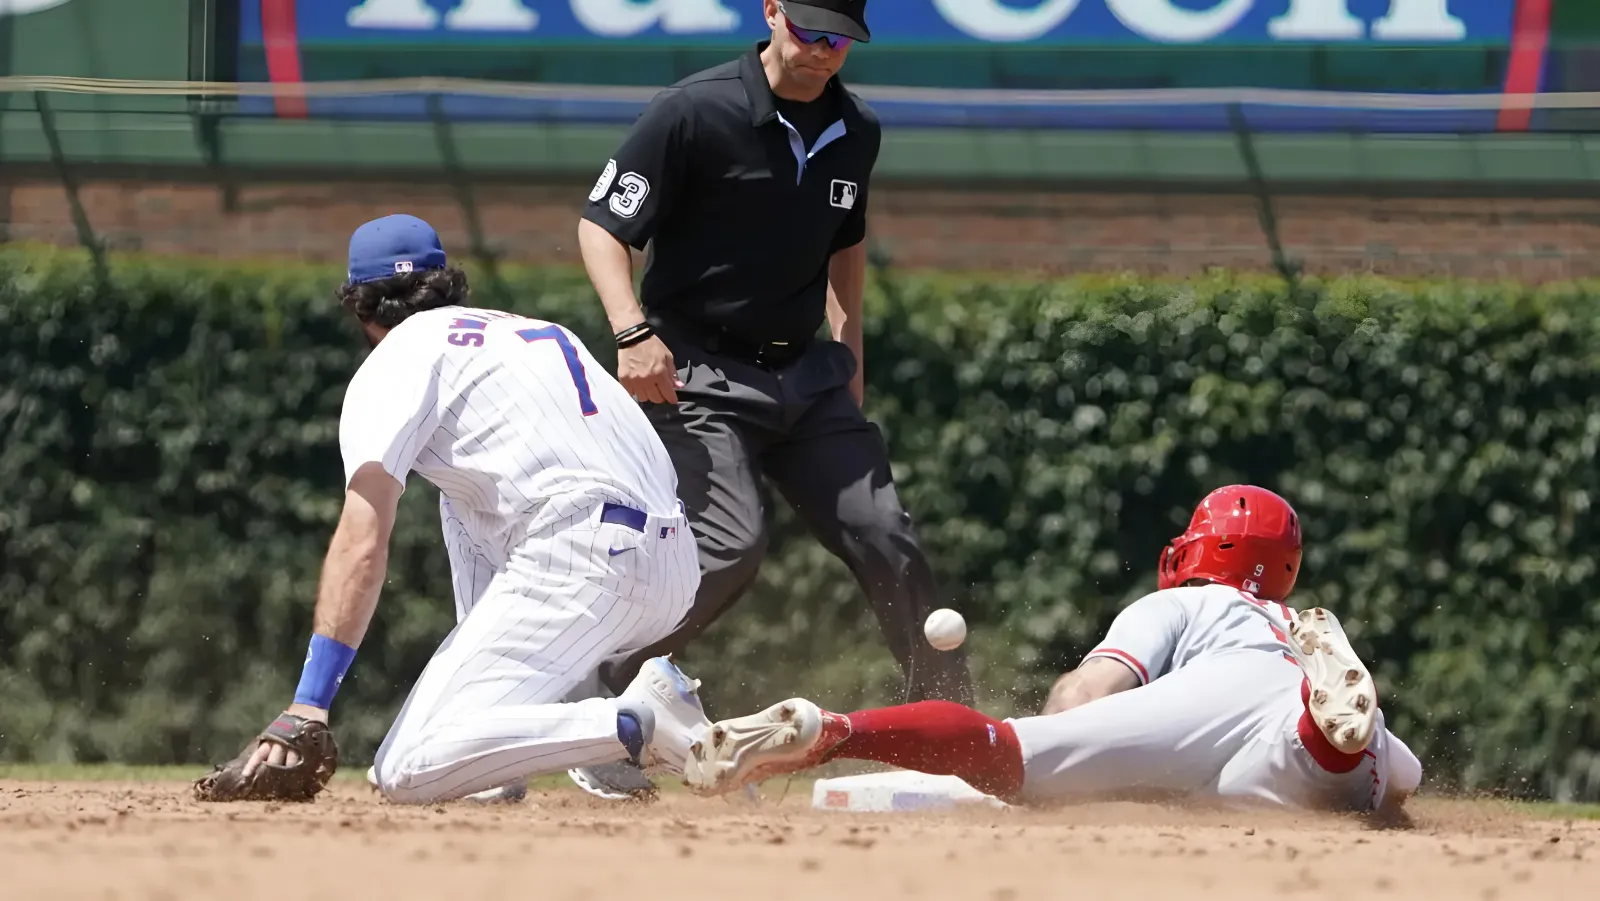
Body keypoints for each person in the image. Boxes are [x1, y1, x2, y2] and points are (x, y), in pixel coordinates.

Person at [571, 0, 973, 801]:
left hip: (809, 381)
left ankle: (955, 736)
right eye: (812, 31)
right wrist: (630, 333)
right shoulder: (692, 111)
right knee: (728, 546)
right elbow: (600, 227)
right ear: (773, 13)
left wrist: (849, 357)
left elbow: (845, 248)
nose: (825, 51)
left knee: (886, 536)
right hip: (699, 374)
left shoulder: (856, 130)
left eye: (842, 40)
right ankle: (596, 701)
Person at [191, 214, 710, 805]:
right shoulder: (531, 331)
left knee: (405, 768)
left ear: (362, 311)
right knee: (461, 497)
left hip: (583, 556)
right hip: (673, 566)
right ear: (447, 285)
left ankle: (631, 721)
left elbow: (363, 536)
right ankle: (503, 756)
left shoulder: (394, 359)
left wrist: (309, 703)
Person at [683, 485, 1425, 815]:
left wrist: (1060, 749)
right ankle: (1317, 734)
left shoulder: (1182, 600)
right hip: (1306, 721)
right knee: (1359, 777)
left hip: (1215, 694)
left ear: (1199, 547)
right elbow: (1404, 782)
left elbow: (1086, 695)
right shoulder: (1282, 621)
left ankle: (835, 730)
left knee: (1013, 753)